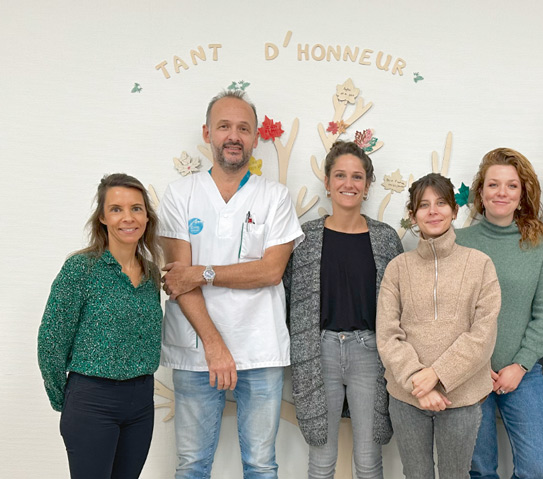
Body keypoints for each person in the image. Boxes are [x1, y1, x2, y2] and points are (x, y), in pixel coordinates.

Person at [159, 90, 304, 479]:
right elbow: (177, 278)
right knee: (192, 466)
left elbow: (271, 271)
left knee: (260, 465)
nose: (234, 136)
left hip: (260, 350)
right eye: (224, 126)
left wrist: (203, 272)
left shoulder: (275, 197)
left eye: (244, 128)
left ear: (256, 138)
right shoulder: (180, 194)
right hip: (196, 352)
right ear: (208, 133)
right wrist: (215, 344)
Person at [284, 141, 404, 478]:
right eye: (340, 175)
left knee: (368, 460)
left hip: (370, 351)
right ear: (327, 182)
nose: (348, 184)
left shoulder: (384, 238)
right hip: (319, 352)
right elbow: (289, 296)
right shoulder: (305, 238)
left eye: (356, 177)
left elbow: (398, 305)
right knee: (322, 459)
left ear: (367, 186)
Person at [38, 173, 163, 479]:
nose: (128, 217)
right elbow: (51, 342)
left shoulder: (151, 275)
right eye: (116, 209)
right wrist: (66, 400)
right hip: (92, 400)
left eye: (136, 208)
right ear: (103, 218)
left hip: (141, 402)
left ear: (146, 217)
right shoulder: (81, 269)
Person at [376, 173, 501, 479]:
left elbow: (483, 334)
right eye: (423, 205)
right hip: (408, 395)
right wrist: (419, 380)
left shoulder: (480, 264)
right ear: (413, 215)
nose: (433, 211)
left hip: (461, 396)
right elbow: (388, 334)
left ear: (455, 211)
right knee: (415, 474)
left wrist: (437, 375)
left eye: (441, 203)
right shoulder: (397, 268)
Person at [456, 148, 543, 479]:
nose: (502, 193)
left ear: (522, 193)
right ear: (481, 193)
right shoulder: (459, 241)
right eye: (493, 185)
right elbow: (451, 314)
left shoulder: (540, 242)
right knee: (480, 469)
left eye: (511, 186)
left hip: (522, 372)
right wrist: (475, 365)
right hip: (470, 373)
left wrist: (521, 363)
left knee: (539, 469)